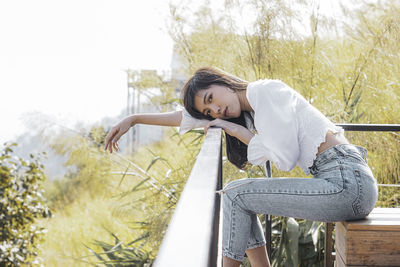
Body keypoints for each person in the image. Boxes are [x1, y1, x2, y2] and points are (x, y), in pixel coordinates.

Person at [104, 67, 378, 267]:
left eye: (211, 99)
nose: (215, 112)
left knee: (235, 193)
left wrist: (235, 130)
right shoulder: (252, 108)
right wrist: (136, 118)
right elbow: (187, 118)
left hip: (345, 182)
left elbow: (283, 159)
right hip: (347, 181)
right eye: (209, 112)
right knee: (238, 196)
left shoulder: (262, 91)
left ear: (222, 81)